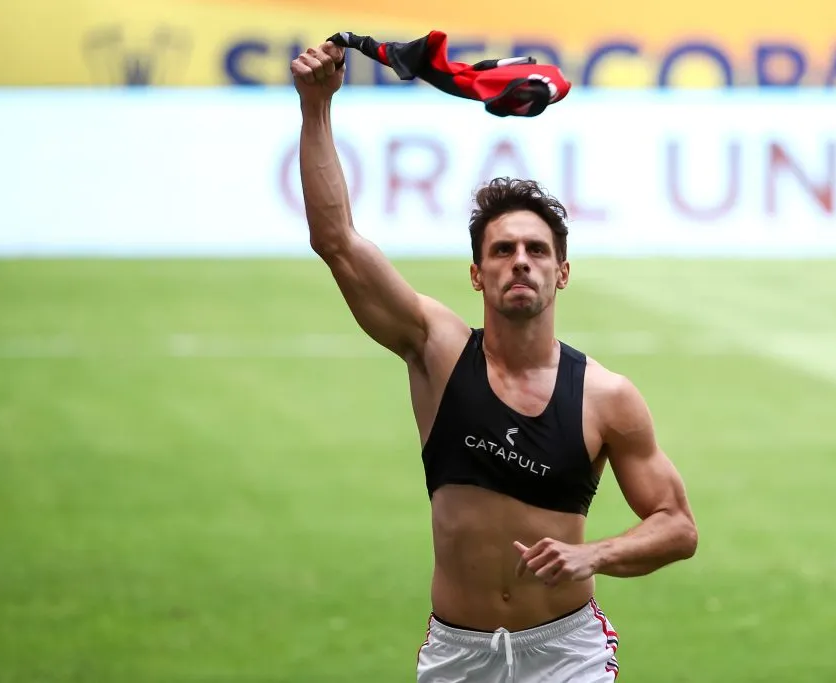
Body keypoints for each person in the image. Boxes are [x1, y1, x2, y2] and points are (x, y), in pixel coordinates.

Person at [292, 41, 699, 683]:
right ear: (477, 273)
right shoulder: (437, 350)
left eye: (537, 250)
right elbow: (335, 241)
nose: (521, 261)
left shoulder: (605, 397)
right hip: (458, 655)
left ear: (561, 272)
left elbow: (677, 526)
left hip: (566, 654)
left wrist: (592, 555)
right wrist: (317, 107)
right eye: (503, 249)